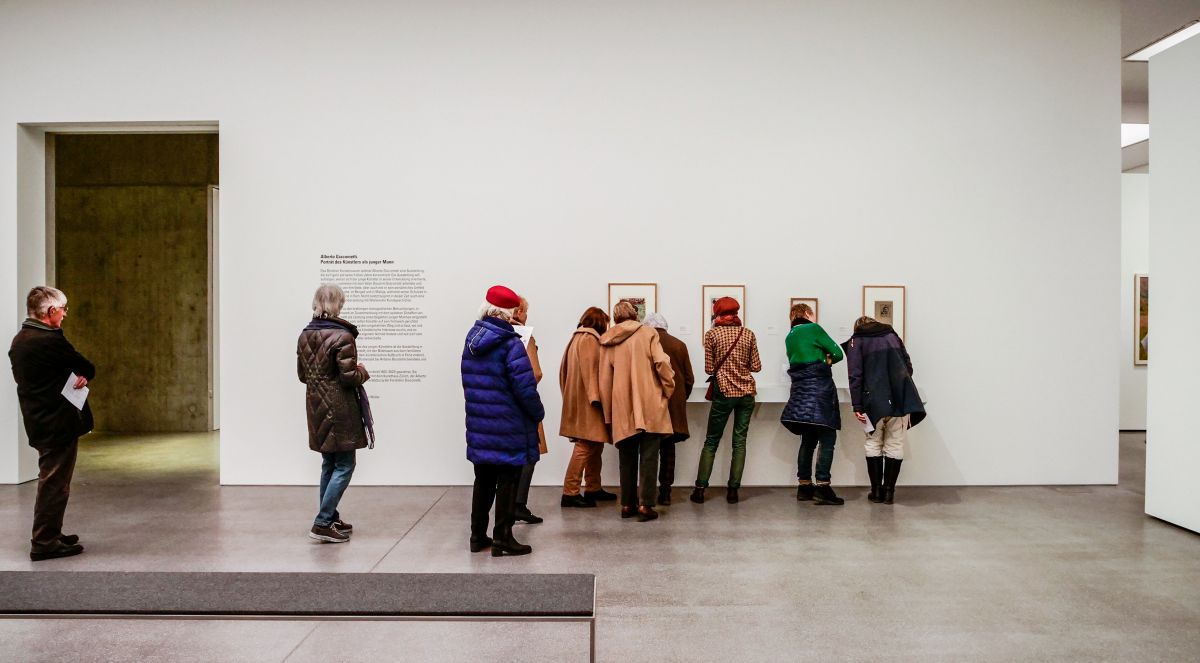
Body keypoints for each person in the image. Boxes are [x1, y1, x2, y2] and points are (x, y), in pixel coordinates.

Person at [9, 286, 94, 561]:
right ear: (51, 311)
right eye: (63, 309)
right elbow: (86, 366)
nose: (65, 314)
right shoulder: (48, 340)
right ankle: (45, 542)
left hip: (40, 420)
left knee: (53, 480)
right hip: (56, 423)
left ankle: (51, 533)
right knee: (55, 484)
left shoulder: (21, 339)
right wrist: (78, 372)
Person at [461, 285, 544, 555]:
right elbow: (525, 388)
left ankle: (477, 537)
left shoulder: (472, 340)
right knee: (508, 480)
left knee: (483, 481)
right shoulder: (511, 344)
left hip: (480, 425)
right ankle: (503, 538)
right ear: (509, 313)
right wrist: (538, 413)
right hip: (508, 426)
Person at [297, 284, 372, 543]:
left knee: (329, 463)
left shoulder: (305, 334)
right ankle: (322, 522)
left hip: (316, 406)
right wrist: (363, 371)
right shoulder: (342, 336)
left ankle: (330, 517)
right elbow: (349, 377)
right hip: (339, 408)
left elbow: (302, 376)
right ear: (337, 304)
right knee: (345, 464)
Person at [598, 301, 674, 522]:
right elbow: (662, 363)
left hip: (622, 406)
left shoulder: (608, 340)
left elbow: (604, 381)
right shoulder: (649, 333)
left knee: (626, 458)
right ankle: (645, 505)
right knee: (649, 457)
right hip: (649, 403)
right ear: (635, 315)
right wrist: (668, 389)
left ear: (615, 318)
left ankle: (627, 504)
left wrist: (609, 410)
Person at [843, 316, 926, 505]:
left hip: (872, 402)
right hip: (899, 399)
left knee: (873, 443)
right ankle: (889, 493)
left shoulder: (857, 341)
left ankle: (876, 492)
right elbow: (908, 366)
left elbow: (855, 375)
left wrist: (857, 405)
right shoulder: (892, 335)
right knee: (895, 444)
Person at [691, 297, 761, 505]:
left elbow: (709, 369)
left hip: (724, 393)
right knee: (739, 442)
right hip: (746, 393)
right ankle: (733, 491)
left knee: (712, 440)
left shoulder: (712, 334)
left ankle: (700, 489)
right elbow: (756, 366)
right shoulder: (748, 333)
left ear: (718, 313)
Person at [780, 303, 845, 505]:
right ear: (808, 314)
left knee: (808, 439)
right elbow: (838, 353)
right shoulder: (813, 328)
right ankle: (823, 487)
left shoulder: (790, 336)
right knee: (828, 437)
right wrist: (826, 360)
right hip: (820, 390)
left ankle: (804, 486)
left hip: (800, 391)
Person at [558, 306, 616, 508]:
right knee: (585, 446)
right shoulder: (589, 340)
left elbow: (563, 372)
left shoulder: (576, 338)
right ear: (599, 322)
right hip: (589, 403)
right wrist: (597, 399)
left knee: (595, 445)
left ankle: (593, 487)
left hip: (577, 400)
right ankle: (570, 492)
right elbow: (593, 373)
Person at [642, 313, 694, 505]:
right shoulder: (679, 345)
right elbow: (689, 379)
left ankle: (645, 494)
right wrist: (680, 398)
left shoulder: (645, 344)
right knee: (668, 450)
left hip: (650, 405)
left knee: (648, 451)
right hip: (673, 404)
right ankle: (665, 492)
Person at [511, 297, 547, 524]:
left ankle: (508, 505)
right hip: (523, 404)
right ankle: (518, 505)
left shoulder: (494, 334)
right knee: (529, 454)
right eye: (526, 311)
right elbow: (535, 373)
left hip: (502, 405)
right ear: (519, 311)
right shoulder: (524, 335)